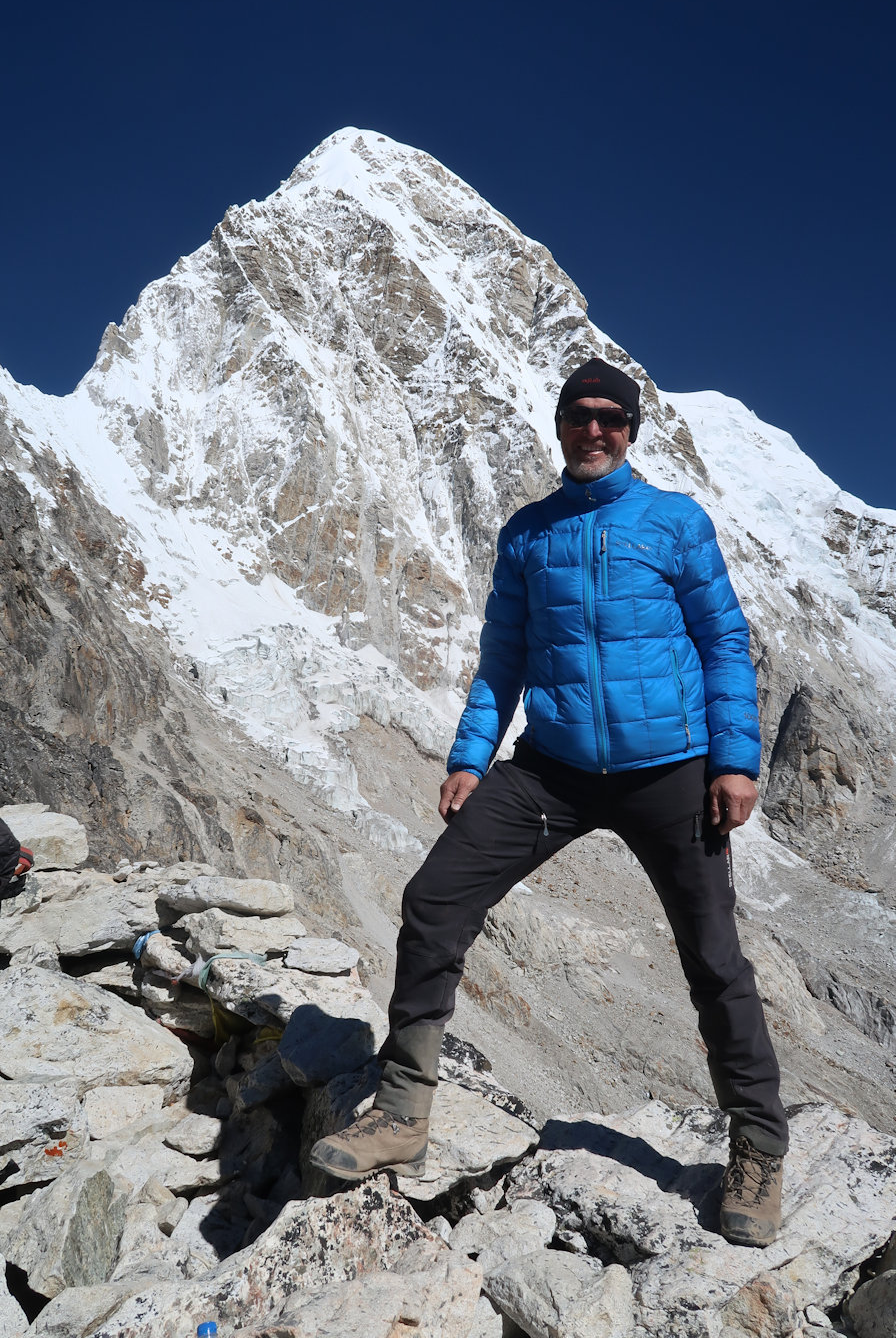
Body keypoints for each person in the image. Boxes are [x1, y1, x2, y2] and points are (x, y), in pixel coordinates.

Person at [311, 359, 787, 1247]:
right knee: (435, 899)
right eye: (579, 415)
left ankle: (758, 1147)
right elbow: (503, 658)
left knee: (713, 957)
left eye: (611, 417)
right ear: (560, 423)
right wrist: (470, 757)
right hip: (552, 769)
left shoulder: (675, 521)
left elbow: (724, 641)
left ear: (632, 430)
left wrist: (735, 761)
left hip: (671, 768)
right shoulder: (529, 534)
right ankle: (403, 1112)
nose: (594, 429)